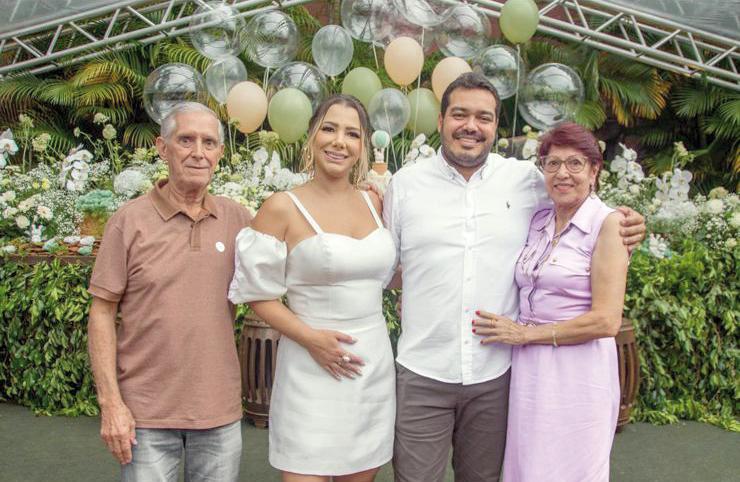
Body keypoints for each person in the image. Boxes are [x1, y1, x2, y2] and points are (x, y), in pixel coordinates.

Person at [383, 73, 645, 482]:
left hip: (496, 376)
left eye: (484, 117)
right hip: (423, 370)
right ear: (440, 121)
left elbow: (580, 200)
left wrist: (625, 221)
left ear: (496, 127)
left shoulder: (525, 181)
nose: (471, 126)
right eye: (460, 114)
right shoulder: (404, 186)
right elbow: (388, 267)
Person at [228, 94, 396, 482]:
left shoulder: (375, 202)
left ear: (364, 145)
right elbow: (257, 295)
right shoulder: (281, 207)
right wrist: (312, 340)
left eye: (352, 133)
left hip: (371, 365)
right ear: (311, 136)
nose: (340, 141)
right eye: (330, 129)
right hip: (309, 367)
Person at [87, 102, 251, 482]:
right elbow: (101, 312)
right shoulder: (128, 222)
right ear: (162, 148)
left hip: (218, 413)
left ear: (220, 153)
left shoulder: (238, 219)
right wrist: (111, 403)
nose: (198, 152)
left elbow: (288, 266)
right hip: (145, 415)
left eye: (209, 143)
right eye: (186, 140)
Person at [474, 122, 628, 481]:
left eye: (575, 164)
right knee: (528, 467)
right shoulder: (540, 219)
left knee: (571, 468)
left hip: (579, 373)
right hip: (530, 371)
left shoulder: (608, 225)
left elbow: (607, 321)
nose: (563, 173)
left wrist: (526, 334)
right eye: (553, 163)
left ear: (594, 171)